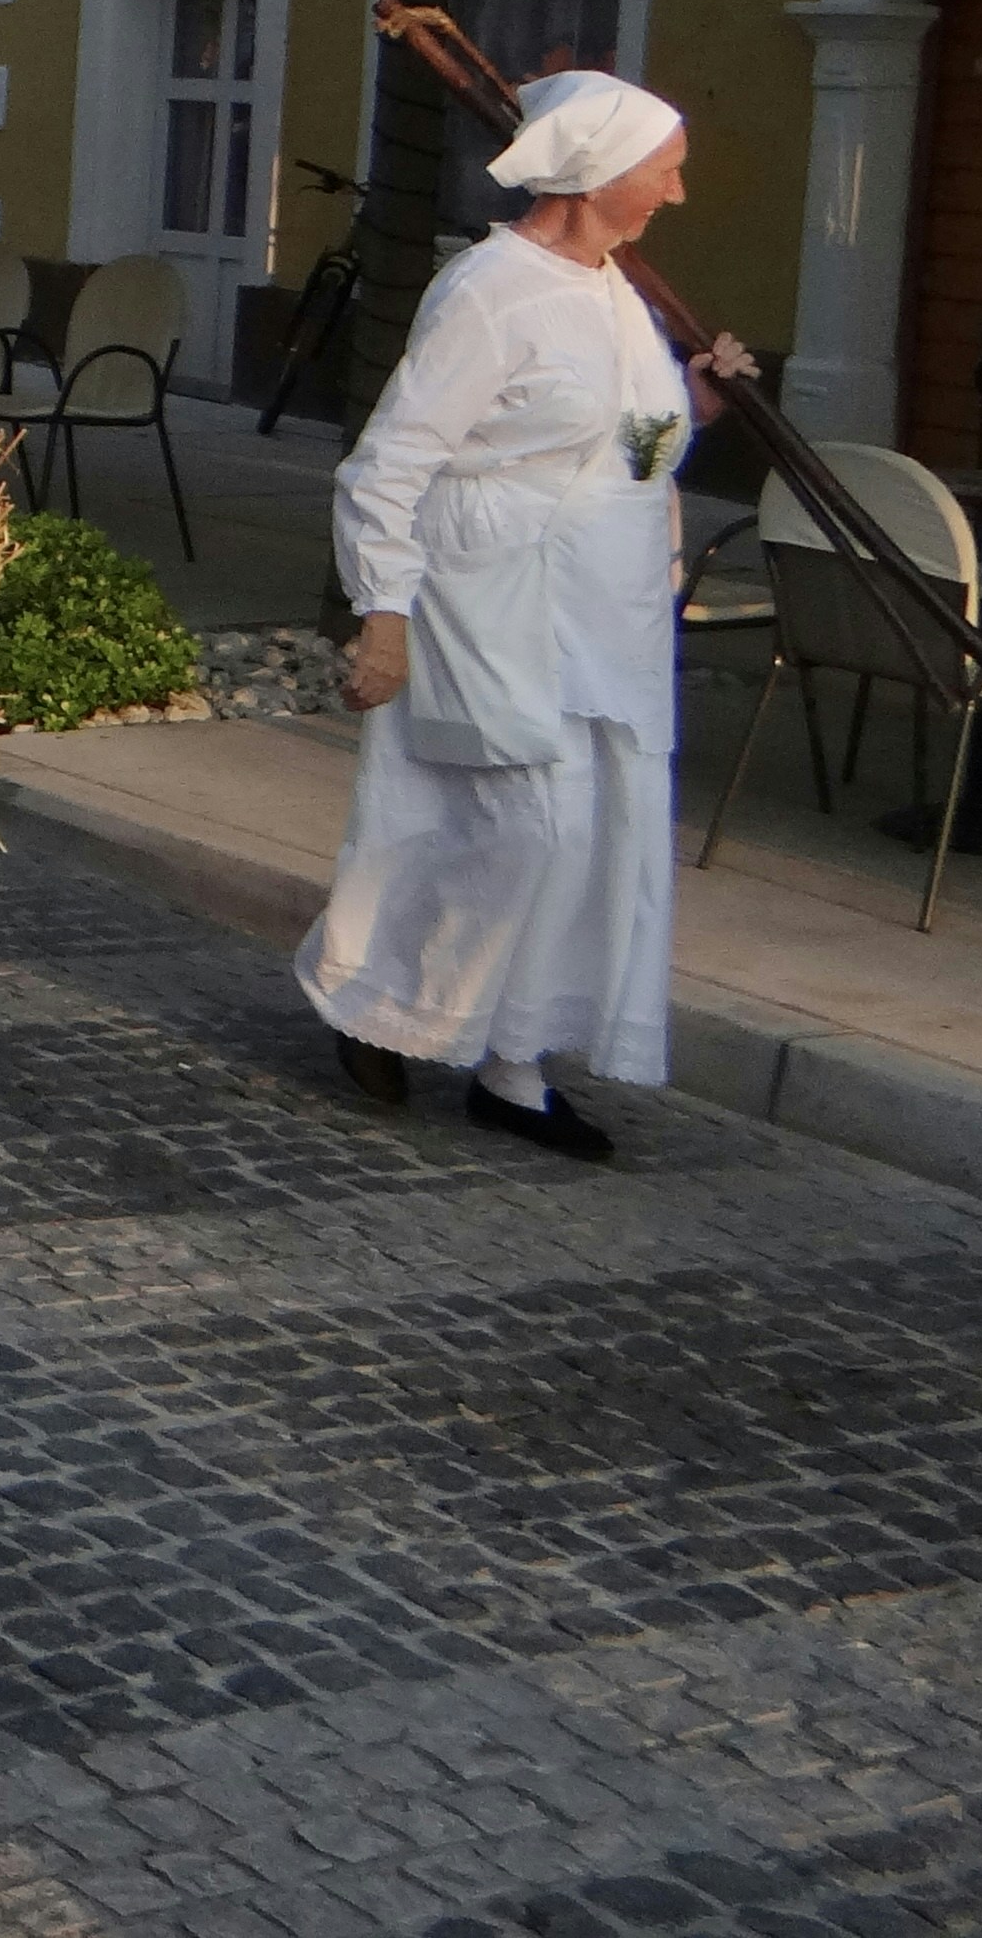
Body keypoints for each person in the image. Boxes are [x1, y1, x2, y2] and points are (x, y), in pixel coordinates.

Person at [299, 71, 757, 1160]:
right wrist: (382, 611)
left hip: (607, 606)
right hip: (489, 590)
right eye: (664, 171)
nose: (676, 193)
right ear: (595, 177)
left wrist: (695, 404)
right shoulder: (487, 291)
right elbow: (388, 462)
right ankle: (376, 996)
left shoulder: (616, 290)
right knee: (526, 824)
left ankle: (511, 1065)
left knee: (583, 834)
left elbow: (623, 448)